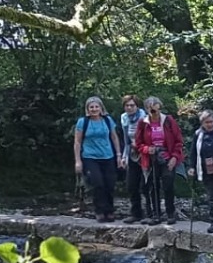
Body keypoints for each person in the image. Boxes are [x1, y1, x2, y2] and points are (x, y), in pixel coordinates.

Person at [73, 96, 124, 222]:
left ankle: (110, 210)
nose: (94, 109)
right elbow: (77, 142)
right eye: (91, 107)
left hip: (108, 156)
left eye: (96, 107)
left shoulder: (107, 120)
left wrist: (118, 155)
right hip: (90, 157)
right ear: (87, 109)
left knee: (110, 184)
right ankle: (99, 211)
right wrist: (78, 161)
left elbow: (114, 137)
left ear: (101, 108)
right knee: (98, 183)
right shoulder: (82, 122)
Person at [133, 96, 183, 224]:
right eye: (150, 108)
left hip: (168, 157)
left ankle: (171, 213)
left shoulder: (168, 121)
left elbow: (178, 141)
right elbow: (138, 144)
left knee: (168, 185)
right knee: (153, 186)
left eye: (155, 108)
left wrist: (175, 157)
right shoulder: (143, 123)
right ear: (147, 109)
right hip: (151, 159)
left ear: (160, 107)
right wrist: (147, 149)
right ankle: (156, 214)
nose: (153, 111)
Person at [118, 94, 147, 223]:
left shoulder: (144, 117)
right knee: (131, 184)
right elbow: (126, 140)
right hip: (132, 153)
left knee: (146, 184)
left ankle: (152, 213)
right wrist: (124, 156)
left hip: (145, 153)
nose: (129, 108)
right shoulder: (124, 118)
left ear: (137, 106)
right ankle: (136, 213)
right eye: (127, 105)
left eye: (132, 105)